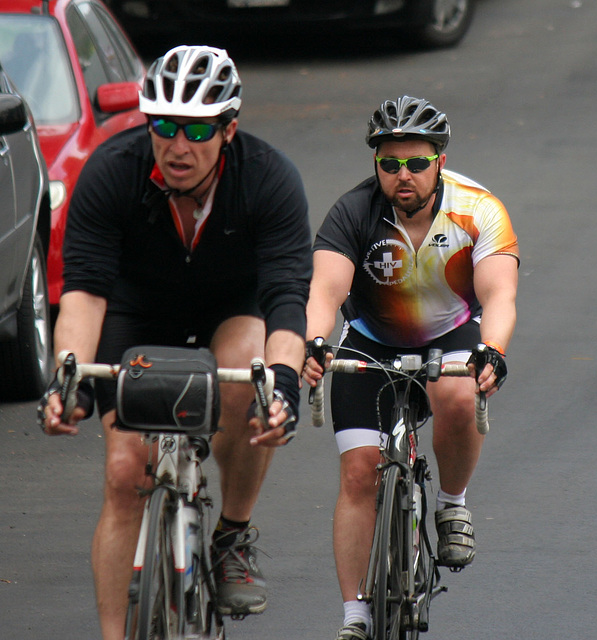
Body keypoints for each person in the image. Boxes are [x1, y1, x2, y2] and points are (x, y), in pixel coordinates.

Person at [37, 45, 312, 640]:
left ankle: (231, 536)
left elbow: (287, 299)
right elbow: (83, 293)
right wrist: (71, 377)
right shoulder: (113, 171)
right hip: (138, 311)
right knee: (124, 472)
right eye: (162, 124)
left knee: (250, 374)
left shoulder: (268, 178)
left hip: (229, 305)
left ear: (228, 129)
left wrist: (284, 384)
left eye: (195, 129)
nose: (176, 144)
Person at [303, 96, 518, 640]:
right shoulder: (353, 212)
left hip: (450, 336)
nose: (403, 175)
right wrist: (316, 340)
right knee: (358, 474)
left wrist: (491, 347)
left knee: (459, 395)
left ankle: (452, 504)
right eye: (390, 163)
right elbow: (324, 289)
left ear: (439, 161)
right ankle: (355, 615)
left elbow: (499, 294)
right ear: (376, 163)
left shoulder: (479, 209)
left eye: (417, 163)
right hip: (372, 342)